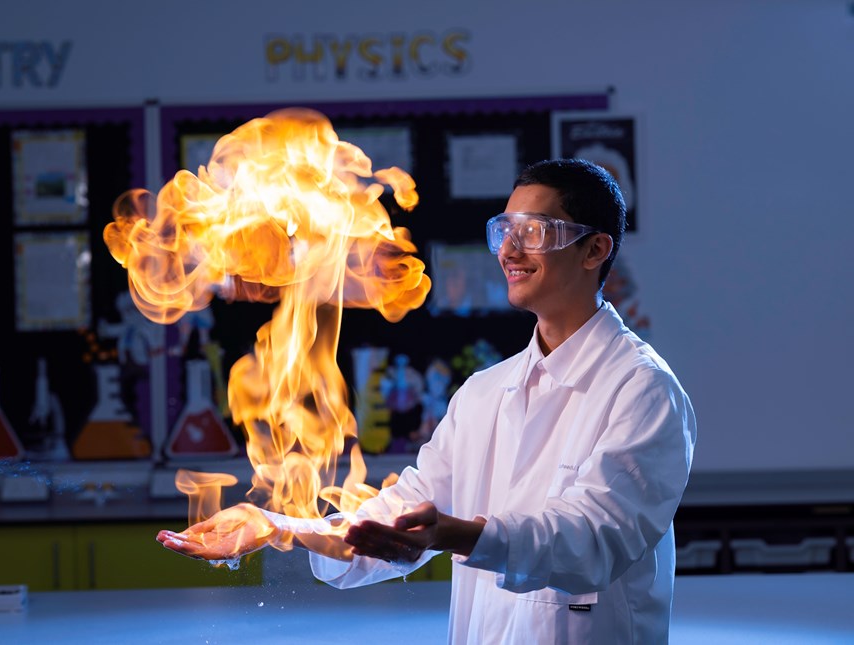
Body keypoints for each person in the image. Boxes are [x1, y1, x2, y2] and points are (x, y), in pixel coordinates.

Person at [159, 159, 696, 644]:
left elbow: (592, 542)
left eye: (534, 231)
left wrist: (454, 533)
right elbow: (396, 517)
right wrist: (281, 528)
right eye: (504, 231)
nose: (510, 251)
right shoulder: (485, 394)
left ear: (595, 249)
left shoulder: (642, 388)